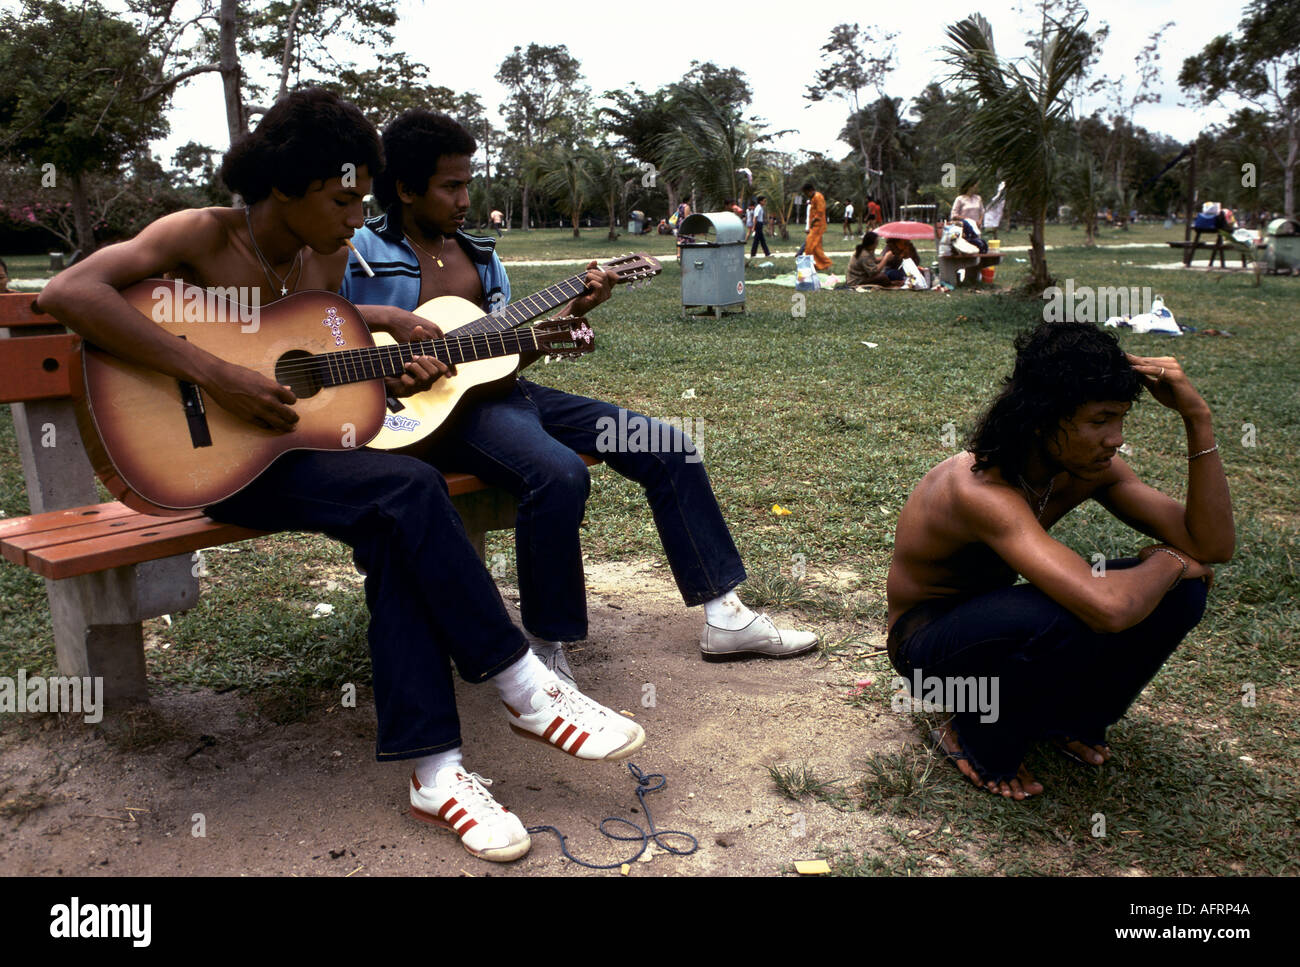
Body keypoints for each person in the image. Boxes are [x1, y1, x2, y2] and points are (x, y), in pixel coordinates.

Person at [35, 89, 646, 865]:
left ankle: (437, 772)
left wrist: (394, 353)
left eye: (362, 198)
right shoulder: (200, 234)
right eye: (341, 198)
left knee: (399, 513)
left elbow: (316, 363)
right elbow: (67, 293)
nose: (358, 216)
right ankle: (522, 684)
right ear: (285, 187)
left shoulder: (325, 255)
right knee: (405, 495)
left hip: (299, 450)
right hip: (211, 457)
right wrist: (213, 372)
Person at [343, 110, 818, 688]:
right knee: (558, 473)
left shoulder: (482, 254)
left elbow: (507, 356)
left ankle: (724, 614)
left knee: (668, 445)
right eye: (451, 186)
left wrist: (573, 315)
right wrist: (384, 354)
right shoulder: (356, 253)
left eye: (468, 182)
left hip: (502, 394)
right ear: (405, 188)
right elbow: (314, 331)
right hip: (423, 419)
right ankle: (545, 645)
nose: (466, 198)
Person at [886, 322, 1233, 800]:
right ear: (1042, 417)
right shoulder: (978, 487)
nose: (1116, 439)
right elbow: (1109, 609)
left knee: (1182, 593)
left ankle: (1070, 719)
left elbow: (1212, 545)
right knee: (1085, 606)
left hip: (996, 621)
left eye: (1121, 420)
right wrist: (1171, 561)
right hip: (928, 647)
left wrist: (1198, 418)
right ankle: (970, 730)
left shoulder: (1088, 469)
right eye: (1099, 421)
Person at [800, 181, 831, 272]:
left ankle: (818, 264)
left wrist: (813, 221)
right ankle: (822, 264)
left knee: (809, 245)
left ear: (810, 190)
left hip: (818, 225)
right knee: (816, 247)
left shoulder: (818, 197)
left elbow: (820, 211)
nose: (806, 195)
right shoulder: (813, 198)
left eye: (806, 193)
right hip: (814, 226)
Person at [750, 194, 771, 258]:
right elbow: (755, 218)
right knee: (757, 240)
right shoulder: (758, 208)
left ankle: (767, 253)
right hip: (758, 224)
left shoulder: (761, 208)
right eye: (764, 201)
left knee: (761, 240)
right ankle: (753, 254)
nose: (765, 202)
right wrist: (754, 227)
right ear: (760, 201)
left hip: (760, 224)